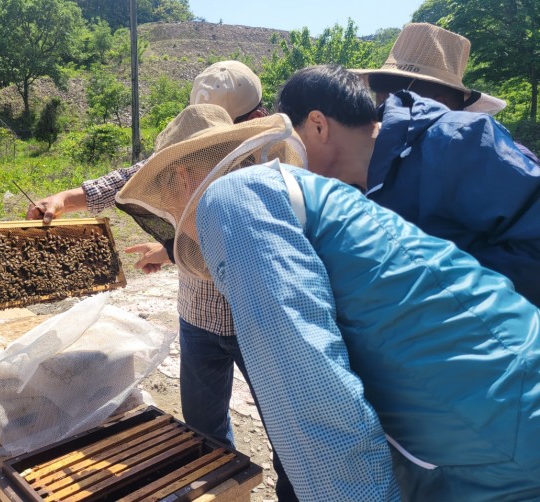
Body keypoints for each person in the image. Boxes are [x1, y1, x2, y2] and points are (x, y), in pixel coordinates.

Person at [188, 154, 540, 502]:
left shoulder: (231, 201)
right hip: (502, 396)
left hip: (497, 433)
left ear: (186, 177)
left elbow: (309, 393)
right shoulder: (299, 191)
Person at [26, 63, 299, 500]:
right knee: (202, 430)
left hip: (258, 323)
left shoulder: (272, 164)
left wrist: (169, 250)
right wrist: (64, 199)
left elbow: (252, 245)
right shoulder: (192, 149)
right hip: (198, 317)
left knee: (289, 435)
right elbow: (130, 177)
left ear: (252, 119)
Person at [276, 64, 540, 307]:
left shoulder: (456, 141)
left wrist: (437, 298)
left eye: (291, 142)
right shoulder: (339, 196)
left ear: (318, 126)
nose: (291, 157)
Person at [351, 22, 538, 162]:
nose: (379, 114)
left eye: (389, 101)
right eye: (378, 99)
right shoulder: (385, 159)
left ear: (440, 104)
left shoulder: (499, 162)